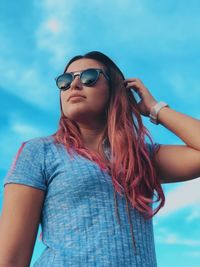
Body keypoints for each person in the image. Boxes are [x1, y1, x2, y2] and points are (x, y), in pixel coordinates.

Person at [0, 51, 200, 267]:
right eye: (65, 81)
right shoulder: (40, 152)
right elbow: (10, 258)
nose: (74, 85)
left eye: (89, 76)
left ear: (115, 90)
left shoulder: (142, 157)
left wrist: (155, 109)